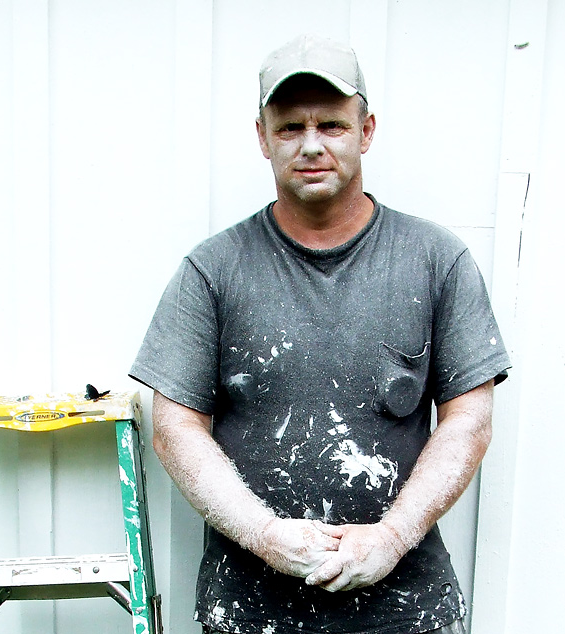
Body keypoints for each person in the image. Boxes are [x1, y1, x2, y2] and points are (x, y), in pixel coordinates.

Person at [130, 34, 511, 634]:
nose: (311, 145)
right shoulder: (214, 269)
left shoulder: (437, 260)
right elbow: (176, 426)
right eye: (289, 128)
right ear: (262, 136)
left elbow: (468, 418)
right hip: (250, 613)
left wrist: (392, 536)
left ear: (367, 130)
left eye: (332, 124)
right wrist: (264, 535)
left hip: (406, 612)